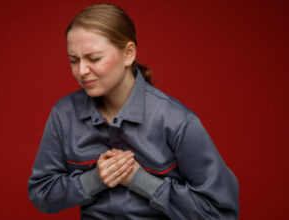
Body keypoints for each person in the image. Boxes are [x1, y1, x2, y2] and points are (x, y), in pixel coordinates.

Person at [28, 3, 239, 219]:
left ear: (128, 54)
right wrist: (94, 180)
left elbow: (220, 212)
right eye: (73, 60)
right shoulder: (63, 114)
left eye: (94, 59)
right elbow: (41, 192)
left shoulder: (177, 120)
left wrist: (140, 180)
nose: (81, 71)